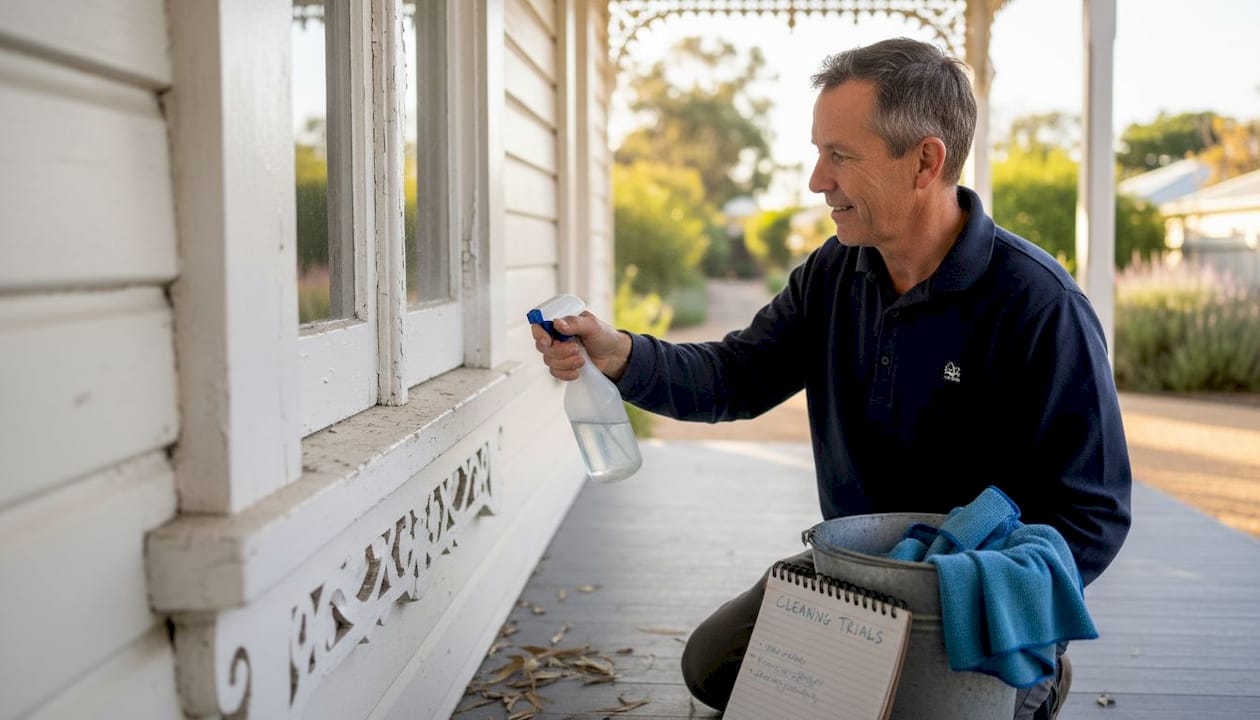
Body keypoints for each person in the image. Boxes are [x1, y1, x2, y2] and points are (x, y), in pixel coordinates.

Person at [530, 37, 1131, 720]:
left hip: (969, 596)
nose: (818, 181)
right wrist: (618, 354)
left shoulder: (1040, 306)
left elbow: (1095, 512)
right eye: (819, 153)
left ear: (924, 162)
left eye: (840, 156)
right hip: (852, 580)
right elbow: (737, 375)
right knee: (712, 666)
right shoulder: (834, 273)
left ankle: (1040, 673)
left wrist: (996, 597)